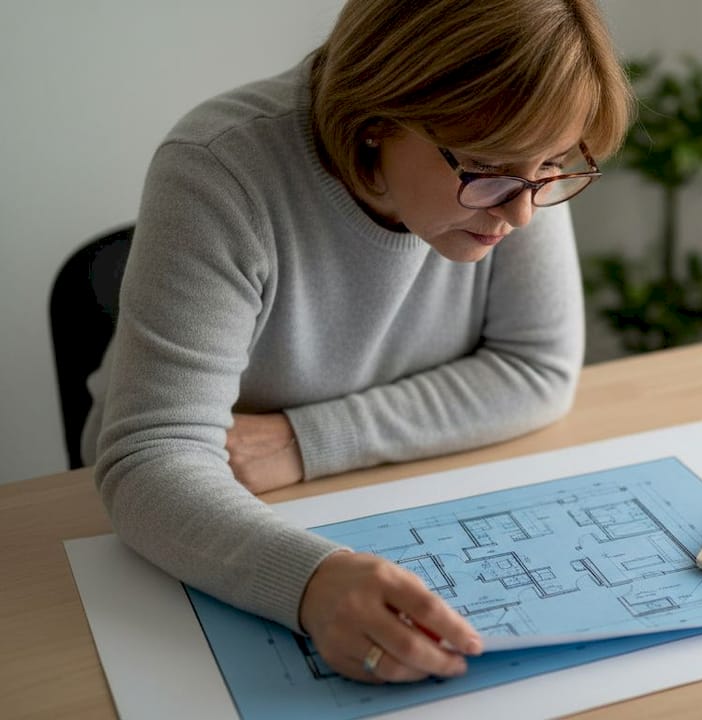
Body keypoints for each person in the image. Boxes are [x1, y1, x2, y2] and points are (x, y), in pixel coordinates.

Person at [81, 0, 633, 684]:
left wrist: (304, 440)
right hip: (193, 520)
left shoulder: (514, 161)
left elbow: (536, 370)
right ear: (376, 125)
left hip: (361, 484)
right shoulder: (219, 170)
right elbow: (149, 456)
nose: (523, 213)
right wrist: (309, 583)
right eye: (492, 171)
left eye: (552, 166)